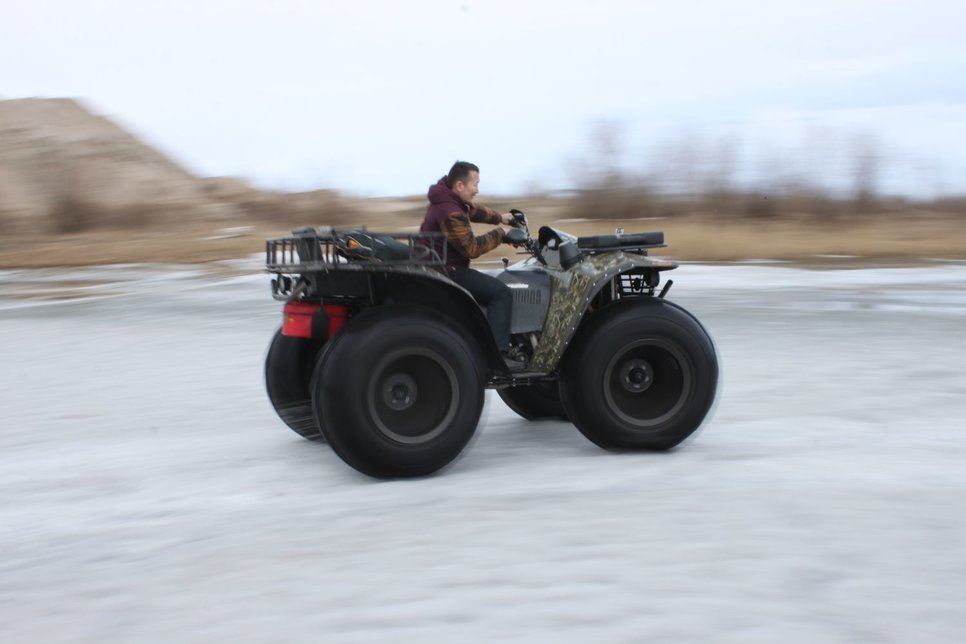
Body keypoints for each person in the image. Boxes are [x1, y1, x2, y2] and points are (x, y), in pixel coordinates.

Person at [420, 161, 523, 370]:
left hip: (437, 265)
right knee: (500, 292)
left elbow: (474, 211)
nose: (477, 189)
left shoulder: (448, 197)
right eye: (474, 184)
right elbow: (471, 249)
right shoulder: (451, 212)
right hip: (445, 271)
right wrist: (501, 234)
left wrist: (502, 218)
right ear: (459, 185)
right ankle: (498, 357)